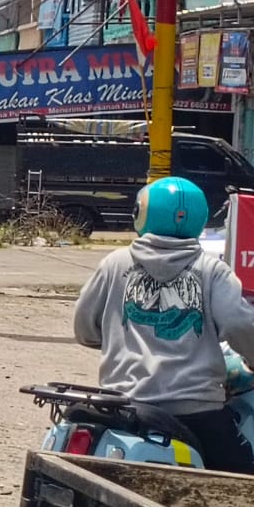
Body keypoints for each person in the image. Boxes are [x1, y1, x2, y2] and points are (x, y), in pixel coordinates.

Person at [74, 177, 254, 474]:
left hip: (122, 405)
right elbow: (238, 325)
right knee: (242, 481)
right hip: (195, 412)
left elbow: (84, 329)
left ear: (141, 214)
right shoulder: (212, 270)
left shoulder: (114, 264)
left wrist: (119, 339)